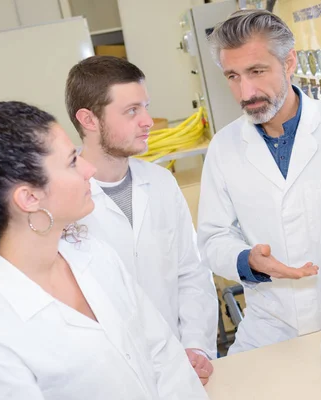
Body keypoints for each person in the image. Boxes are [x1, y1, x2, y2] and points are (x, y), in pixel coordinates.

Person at [0, 100, 209, 399]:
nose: (87, 168)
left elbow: (162, 353)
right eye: (72, 161)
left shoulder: (93, 255)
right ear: (29, 198)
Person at [197, 9, 321, 355]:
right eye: (233, 76)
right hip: (270, 327)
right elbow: (213, 239)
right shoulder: (224, 147)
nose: (245, 92)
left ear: (289, 62)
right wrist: (247, 260)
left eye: (257, 71)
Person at [65, 56, 218, 383]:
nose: (148, 120)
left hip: (179, 368)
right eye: (132, 111)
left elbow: (191, 272)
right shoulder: (63, 204)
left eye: (145, 107)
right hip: (106, 381)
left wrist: (197, 347)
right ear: (89, 119)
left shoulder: (161, 183)